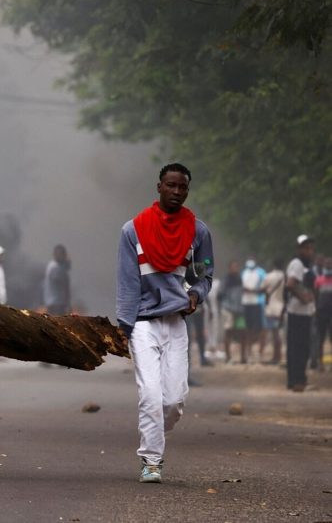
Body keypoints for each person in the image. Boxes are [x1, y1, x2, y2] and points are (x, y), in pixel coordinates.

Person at [116, 163, 213, 484]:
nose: (176, 192)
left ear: (188, 190)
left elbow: (205, 272)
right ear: (158, 187)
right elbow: (128, 283)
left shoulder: (198, 231)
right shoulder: (133, 230)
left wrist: (197, 292)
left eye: (182, 187)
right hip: (143, 323)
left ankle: (155, 427)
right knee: (150, 394)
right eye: (170, 185)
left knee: (173, 401)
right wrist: (124, 326)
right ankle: (151, 461)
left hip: (175, 322)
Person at [285, 235, 316, 391]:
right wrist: (303, 297)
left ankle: (299, 380)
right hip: (297, 312)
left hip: (304, 312)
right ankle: (296, 380)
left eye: (310, 248)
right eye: (306, 248)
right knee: (299, 347)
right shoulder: (297, 264)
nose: (309, 251)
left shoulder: (306, 265)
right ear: (299, 249)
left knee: (302, 347)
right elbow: (290, 284)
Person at [240, 256, 266, 363]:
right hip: (246, 303)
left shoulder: (261, 272)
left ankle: (260, 352)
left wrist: (254, 290)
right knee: (248, 328)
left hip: (257, 302)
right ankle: (249, 352)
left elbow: (265, 286)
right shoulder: (244, 272)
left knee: (259, 328)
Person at [260, 259, 286, 364]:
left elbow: (262, 289)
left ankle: (276, 357)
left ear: (274, 265)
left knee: (275, 333)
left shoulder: (268, 276)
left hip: (271, 308)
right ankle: (277, 356)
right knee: (279, 333)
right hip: (282, 308)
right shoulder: (286, 277)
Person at [221, 261, 245, 364]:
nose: (235, 269)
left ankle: (243, 357)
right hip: (228, 310)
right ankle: (228, 357)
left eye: (237, 267)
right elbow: (221, 295)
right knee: (228, 332)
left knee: (242, 332)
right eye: (233, 267)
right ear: (229, 268)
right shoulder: (226, 280)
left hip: (239, 310)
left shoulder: (239, 279)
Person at [313, 256, 332, 371]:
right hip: (321, 312)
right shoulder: (319, 280)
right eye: (327, 265)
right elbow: (315, 296)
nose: (329, 266)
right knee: (321, 338)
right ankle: (320, 363)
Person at [44, 244, 71, 315]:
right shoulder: (55, 267)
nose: (63, 256)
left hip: (57, 303)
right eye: (61, 254)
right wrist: (64, 268)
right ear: (55, 255)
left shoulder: (57, 266)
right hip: (56, 304)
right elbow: (61, 283)